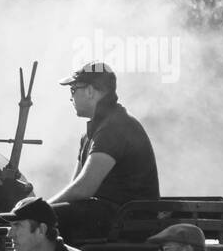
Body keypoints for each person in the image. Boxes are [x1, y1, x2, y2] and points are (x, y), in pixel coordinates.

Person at [50, 62, 159, 240]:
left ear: (90, 91)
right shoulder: (93, 132)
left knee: (43, 222)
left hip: (126, 222)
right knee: (42, 219)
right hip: (108, 216)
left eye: (73, 90)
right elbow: (75, 186)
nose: (71, 98)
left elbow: (84, 188)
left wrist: (42, 210)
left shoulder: (115, 127)